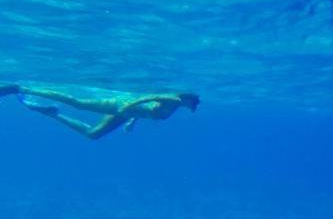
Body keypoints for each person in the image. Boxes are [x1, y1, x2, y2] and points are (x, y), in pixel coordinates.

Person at [0, 83, 199, 140]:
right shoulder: (174, 99)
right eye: (194, 103)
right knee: (78, 102)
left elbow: (149, 110)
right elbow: (145, 98)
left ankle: (52, 113)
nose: (193, 107)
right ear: (187, 98)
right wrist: (127, 108)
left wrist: (131, 120)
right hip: (122, 106)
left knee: (93, 134)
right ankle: (22, 89)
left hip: (127, 112)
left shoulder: (175, 106)